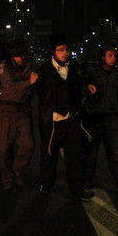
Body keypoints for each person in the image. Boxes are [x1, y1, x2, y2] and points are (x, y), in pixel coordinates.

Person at [35, 33, 94, 201]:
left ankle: (77, 190)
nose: (64, 53)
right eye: (60, 50)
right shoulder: (45, 69)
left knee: (74, 155)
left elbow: (79, 84)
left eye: (66, 50)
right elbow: (37, 91)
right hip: (53, 120)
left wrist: (87, 87)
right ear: (53, 52)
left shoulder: (74, 66)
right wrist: (33, 82)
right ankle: (46, 185)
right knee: (49, 154)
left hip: (71, 118)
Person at [81, 42, 118, 196]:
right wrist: (86, 89)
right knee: (91, 153)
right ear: (102, 57)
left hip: (112, 118)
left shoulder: (117, 75)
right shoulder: (93, 73)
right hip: (93, 117)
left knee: (115, 153)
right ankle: (86, 181)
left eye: (115, 56)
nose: (113, 58)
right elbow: (81, 89)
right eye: (110, 55)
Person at [0, 37, 38, 190]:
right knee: (4, 147)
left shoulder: (30, 66)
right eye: (18, 56)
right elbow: (9, 88)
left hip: (23, 110)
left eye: (24, 55)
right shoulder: (4, 65)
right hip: (6, 110)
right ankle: (7, 177)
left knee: (28, 145)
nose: (21, 59)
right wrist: (29, 83)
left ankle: (17, 172)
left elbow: (37, 86)